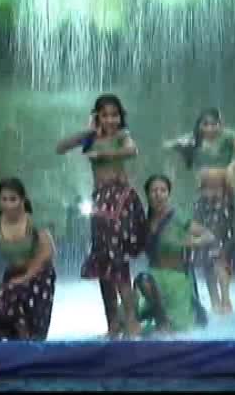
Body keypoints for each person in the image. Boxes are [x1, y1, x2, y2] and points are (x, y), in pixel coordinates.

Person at [57, 94, 147, 338]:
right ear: (97, 117)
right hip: (100, 204)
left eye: (114, 115)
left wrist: (106, 155)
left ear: (121, 117)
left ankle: (132, 322)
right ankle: (113, 325)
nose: (110, 120)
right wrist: (87, 132)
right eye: (105, 115)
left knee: (118, 263)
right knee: (104, 267)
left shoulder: (121, 136)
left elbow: (132, 150)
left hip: (120, 202)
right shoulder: (91, 138)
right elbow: (60, 148)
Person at [164, 107, 235, 314]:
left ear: (221, 124)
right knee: (205, 254)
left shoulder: (227, 137)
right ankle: (214, 303)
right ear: (200, 126)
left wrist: (233, 166)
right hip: (202, 203)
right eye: (205, 124)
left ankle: (226, 301)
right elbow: (169, 145)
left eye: (214, 124)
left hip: (222, 202)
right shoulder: (194, 140)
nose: (210, 128)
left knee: (219, 251)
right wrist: (178, 145)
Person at [0, 177, 56, 341]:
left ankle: (28, 341)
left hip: (39, 274)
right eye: (4, 200)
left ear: (22, 200)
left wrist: (25, 277)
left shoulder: (33, 221)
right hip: (14, 273)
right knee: (3, 302)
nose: (8, 205)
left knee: (15, 294)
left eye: (13, 199)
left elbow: (48, 251)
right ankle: (11, 345)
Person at [135, 174, 214, 334]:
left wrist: (193, 242)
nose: (158, 194)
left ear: (168, 194)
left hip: (176, 278)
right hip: (153, 276)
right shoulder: (145, 220)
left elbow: (209, 236)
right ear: (147, 194)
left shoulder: (178, 217)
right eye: (154, 191)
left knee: (181, 329)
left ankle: (166, 323)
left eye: (163, 190)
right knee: (141, 283)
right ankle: (160, 321)